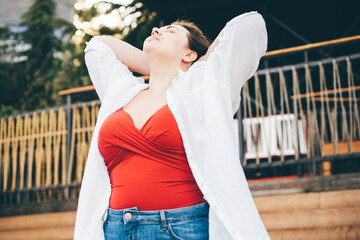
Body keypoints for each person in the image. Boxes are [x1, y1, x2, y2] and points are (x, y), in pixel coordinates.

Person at [73, 11, 269, 240]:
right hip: (115, 228)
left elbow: (250, 24)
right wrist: (155, 68)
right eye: (158, 30)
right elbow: (96, 46)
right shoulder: (122, 89)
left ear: (189, 54)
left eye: (171, 31)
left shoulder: (202, 87)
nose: (157, 31)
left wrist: (198, 67)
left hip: (180, 228)